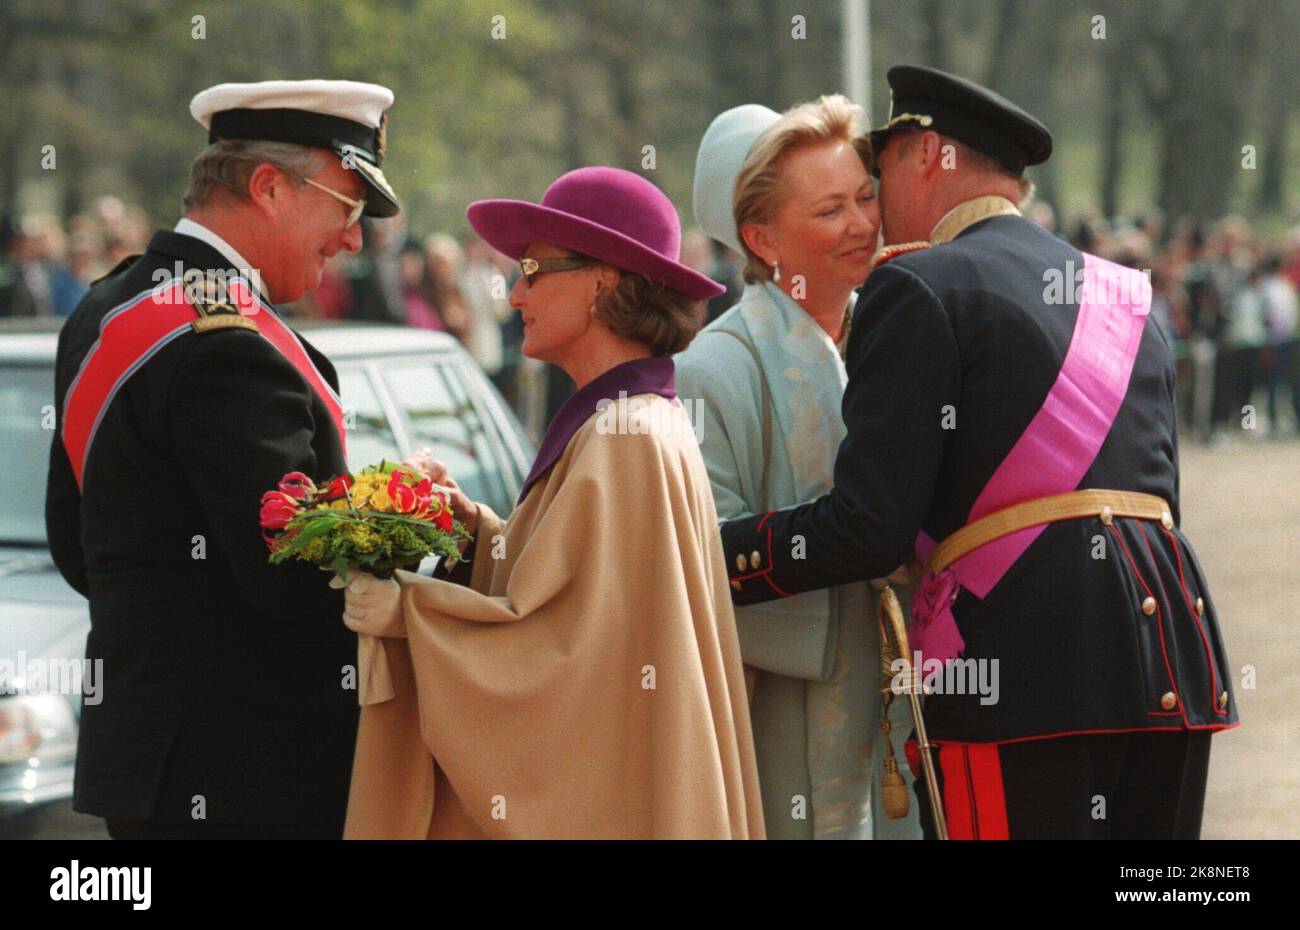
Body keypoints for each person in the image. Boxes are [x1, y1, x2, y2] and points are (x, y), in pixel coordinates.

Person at [715, 65, 1239, 839]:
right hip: (1169, 658)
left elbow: (869, 528)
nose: (874, 198)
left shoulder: (919, 286)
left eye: (878, 168)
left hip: (1021, 675)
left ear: (926, 155)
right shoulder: (1127, 296)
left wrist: (708, 552)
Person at [339, 166, 764, 839]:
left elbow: (563, 662)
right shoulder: (633, 420)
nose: (513, 295)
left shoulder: (624, 437)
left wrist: (409, 616)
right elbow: (581, 606)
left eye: (534, 269)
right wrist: (472, 533)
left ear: (604, 280)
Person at [45, 79, 401, 839]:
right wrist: (407, 523)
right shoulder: (227, 345)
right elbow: (295, 570)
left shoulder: (108, 302)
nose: (352, 241)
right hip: (247, 773)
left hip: (156, 758)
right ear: (269, 186)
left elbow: (78, 545)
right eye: (346, 209)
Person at [677, 97, 919, 840]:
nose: (863, 225)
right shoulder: (712, 368)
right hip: (779, 708)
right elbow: (695, 557)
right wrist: (857, 545)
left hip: (902, 693)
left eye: (866, 199)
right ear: (760, 237)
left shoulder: (893, 335)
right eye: (831, 210)